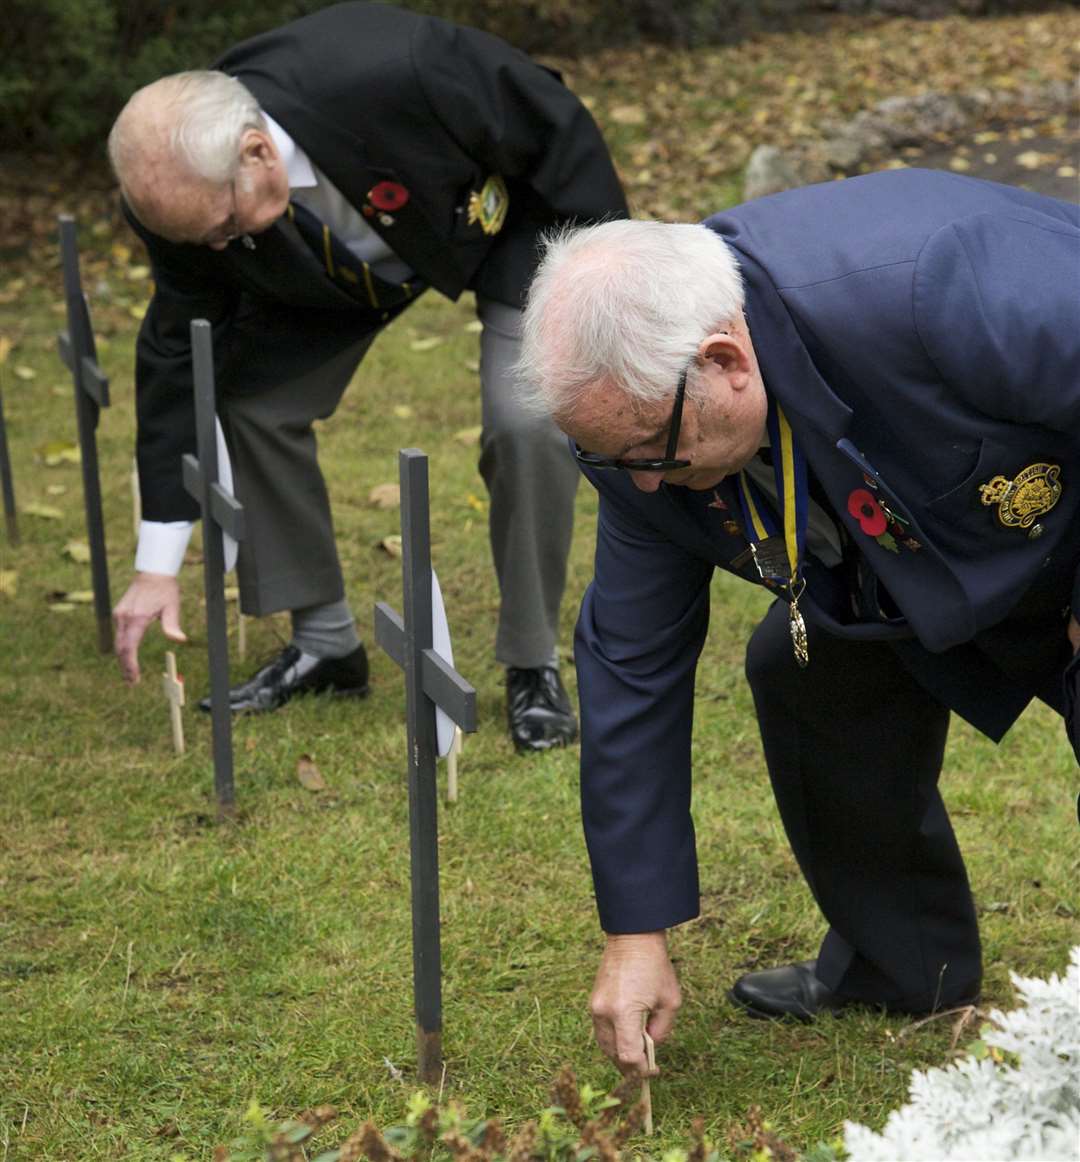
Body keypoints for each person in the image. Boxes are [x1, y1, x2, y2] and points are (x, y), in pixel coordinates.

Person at [515, 168, 1080, 1073]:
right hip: (906, 559)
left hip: (1058, 536)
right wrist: (634, 930)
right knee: (804, 671)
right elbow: (631, 659)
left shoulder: (941, 279)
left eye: (652, 454)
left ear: (726, 361)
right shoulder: (634, 431)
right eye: (609, 458)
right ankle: (900, 967)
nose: (645, 485)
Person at [106, 2, 628, 752]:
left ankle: (532, 661)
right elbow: (174, 353)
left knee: (526, 420)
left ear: (257, 152)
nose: (216, 248)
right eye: (203, 239)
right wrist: (157, 562)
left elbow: (558, 130)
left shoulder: (400, 67)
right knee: (252, 402)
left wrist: (607, 280)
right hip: (334, 278)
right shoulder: (185, 199)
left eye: (222, 229)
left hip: (498, 226)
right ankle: (325, 642)